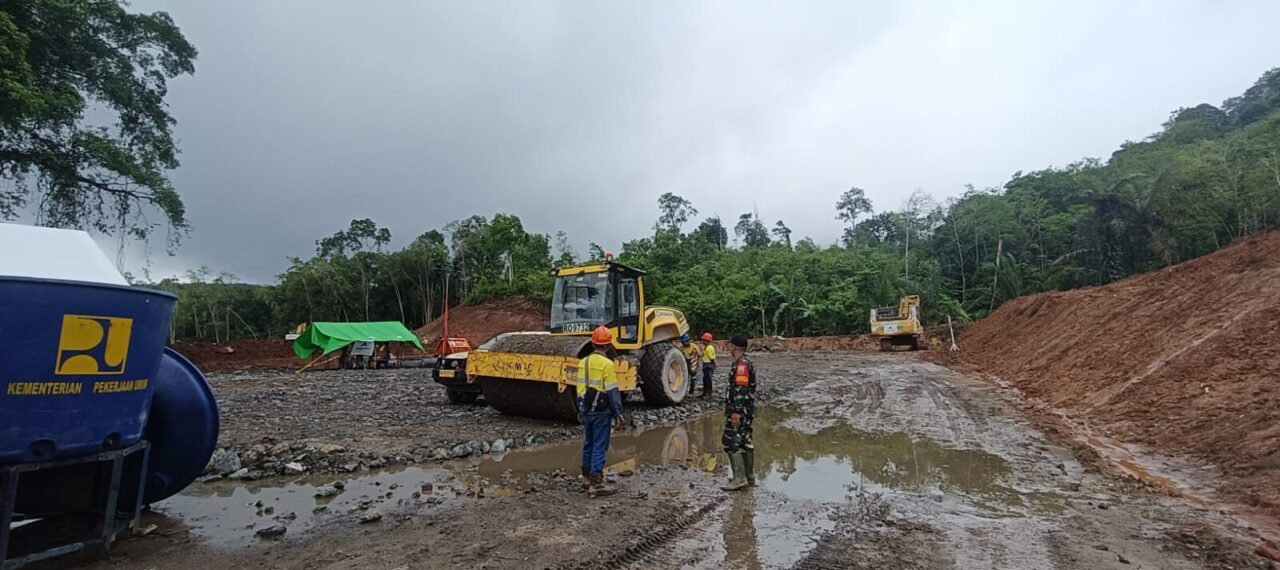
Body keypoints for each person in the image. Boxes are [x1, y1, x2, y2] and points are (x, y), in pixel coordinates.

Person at [577, 326, 625, 497]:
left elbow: (580, 388)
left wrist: (580, 409)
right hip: (601, 411)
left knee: (588, 443)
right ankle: (597, 484)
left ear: (593, 343)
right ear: (608, 345)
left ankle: (586, 478)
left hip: (586, 409)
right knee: (599, 445)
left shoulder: (583, 362)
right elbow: (612, 391)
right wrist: (618, 414)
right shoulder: (608, 364)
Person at [721, 335, 756, 491]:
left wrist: (736, 412)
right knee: (745, 440)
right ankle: (748, 477)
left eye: (730, 346)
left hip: (740, 410)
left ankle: (739, 478)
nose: (728, 349)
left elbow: (740, 389)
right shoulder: (746, 363)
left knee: (732, 440)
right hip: (746, 410)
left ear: (734, 347)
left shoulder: (741, 365)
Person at [698, 332, 717, 399]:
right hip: (707, 364)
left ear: (706, 340)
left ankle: (708, 393)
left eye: (703, 340)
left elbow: (711, 358)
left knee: (708, 380)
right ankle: (705, 392)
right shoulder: (708, 347)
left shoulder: (708, 348)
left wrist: (713, 364)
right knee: (705, 379)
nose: (702, 341)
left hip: (708, 365)